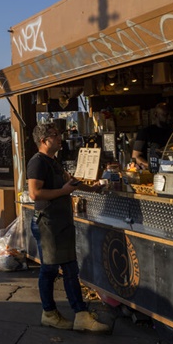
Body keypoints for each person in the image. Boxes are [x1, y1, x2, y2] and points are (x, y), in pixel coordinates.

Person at [28, 123, 109, 333]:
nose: (60, 138)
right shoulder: (37, 162)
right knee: (50, 270)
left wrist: (92, 188)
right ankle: (50, 313)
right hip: (48, 223)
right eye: (55, 135)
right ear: (44, 140)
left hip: (60, 223)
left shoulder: (52, 161)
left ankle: (79, 314)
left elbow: (70, 181)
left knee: (70, 268)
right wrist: (63, 192)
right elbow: (34, 194)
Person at [132, 102, 173, 171]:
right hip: (152, 173)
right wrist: (151, 166)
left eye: (171, 115)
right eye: (165, 115)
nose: (169, 118)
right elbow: (136, 156)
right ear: (156, 115)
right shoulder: (145, 132)